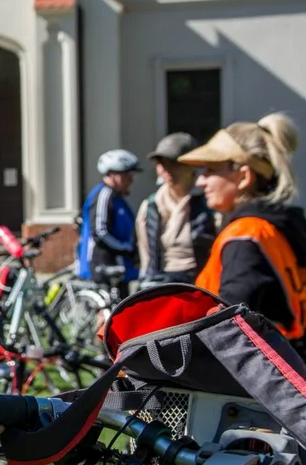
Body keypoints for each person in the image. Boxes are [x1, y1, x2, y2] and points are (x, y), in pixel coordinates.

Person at [180, 113, 306, 344]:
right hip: (289, 365)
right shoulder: (278, 227)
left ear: (243, 176)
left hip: (260, 375)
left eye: (210, 170)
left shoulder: (245, 234)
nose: (200, 181)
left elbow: (225, 326)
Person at [135, 133, 216, 286]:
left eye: (173, 163)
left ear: (192, 165)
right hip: (163, 283)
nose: (166, 169)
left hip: (202, 282)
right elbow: (146, 257)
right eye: (161, 163)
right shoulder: (151, 205)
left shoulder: (209, 201)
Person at [77, 149, 142, 297]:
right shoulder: (104, 194)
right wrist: (125, 248)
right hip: (104, 266)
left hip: (119, 269)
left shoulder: (117, 197)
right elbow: (100, 232)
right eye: (128, 174)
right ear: (114, 175)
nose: (132, 179)